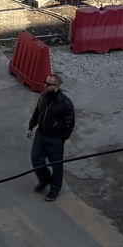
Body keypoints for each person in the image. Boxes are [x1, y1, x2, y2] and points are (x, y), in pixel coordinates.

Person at [26, 71, 75, 201]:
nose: (44, 85)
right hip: (41, 135)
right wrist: (31, 126)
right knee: (36, 159)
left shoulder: (65, 104)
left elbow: (70, 124)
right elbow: (37, 112)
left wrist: (61, 139)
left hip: (55, 139)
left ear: (57, 86)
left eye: (48, 84)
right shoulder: (43, 96)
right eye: (45, 82)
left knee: (57, 165)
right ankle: (45, 180)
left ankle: (55, 190)